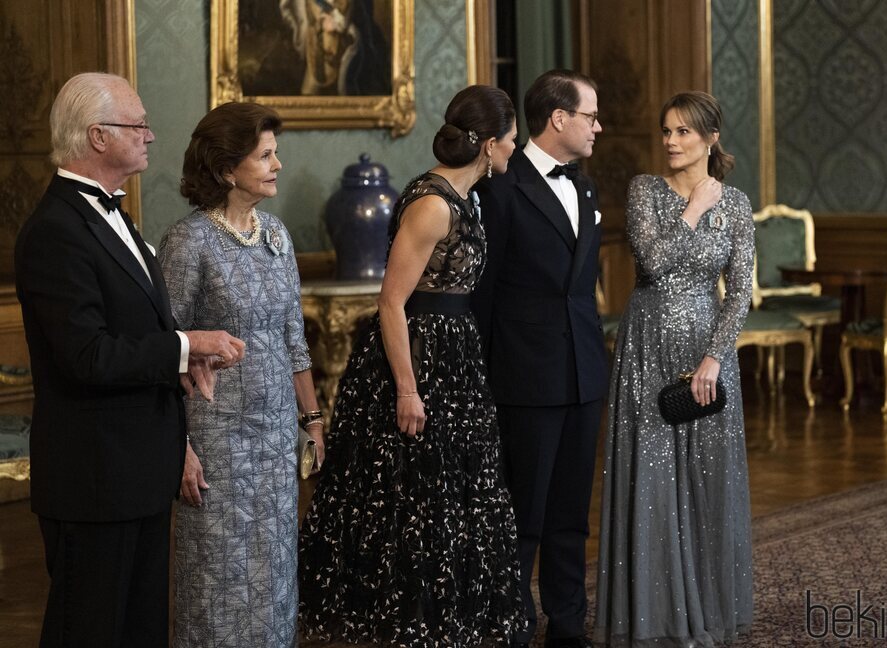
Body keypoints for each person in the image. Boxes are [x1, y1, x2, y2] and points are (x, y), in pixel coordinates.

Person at [14, 72, 245, 648]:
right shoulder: (56, 231)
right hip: (92, 478)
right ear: (97, 136)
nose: (150, 135)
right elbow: (85, 355)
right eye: (137, 125)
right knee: (88, 631)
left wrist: (181, 361)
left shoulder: (112, 218)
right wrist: (187, 346)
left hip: (137, 469)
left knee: (140, 629)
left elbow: (133, 327)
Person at [298, 85, 526, 646]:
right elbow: (391, 301)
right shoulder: (432, 204)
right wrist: (407, 389)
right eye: (512, 141)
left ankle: (451, 617)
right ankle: (411, 621)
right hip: (418, 362)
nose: (514, 151)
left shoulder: (466, 196)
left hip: (457, 358)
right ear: (490, 144)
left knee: (455, 494)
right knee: (412, 496)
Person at [158, 101, 324, 648]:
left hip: (276, 437)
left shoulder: (276, 234)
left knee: (274, 574)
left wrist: (313, 419)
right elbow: (165, 351)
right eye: (266, 155)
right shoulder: (189, 242)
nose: (278, 164)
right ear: (228, 168)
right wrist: (179, 446)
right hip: (217, 439)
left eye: (277, 153)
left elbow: (292, 337)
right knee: (218, 574)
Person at [595, 91, 755, 646]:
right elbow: (652, 261)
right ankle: (654, 616)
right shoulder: (645, 191)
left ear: (711, 138)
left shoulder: (737, 204)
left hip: (709, 350)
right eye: (666, 131)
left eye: (683, 132)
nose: (670, 142)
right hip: (647, 343)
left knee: (709, 479)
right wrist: (692, 211)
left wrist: (715, 356)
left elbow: (740, 293)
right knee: (655, 476)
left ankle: (707, 612)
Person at [472, 69, 607, 648]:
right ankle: (511, 627)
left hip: (583, 372)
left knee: (571, 515)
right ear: (559, 119)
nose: (598, 126)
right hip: (524, 376)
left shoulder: (585, 187)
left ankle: (569, 627)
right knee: (523, 515)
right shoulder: (498, 188)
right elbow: (482, 292)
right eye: (590, 116)